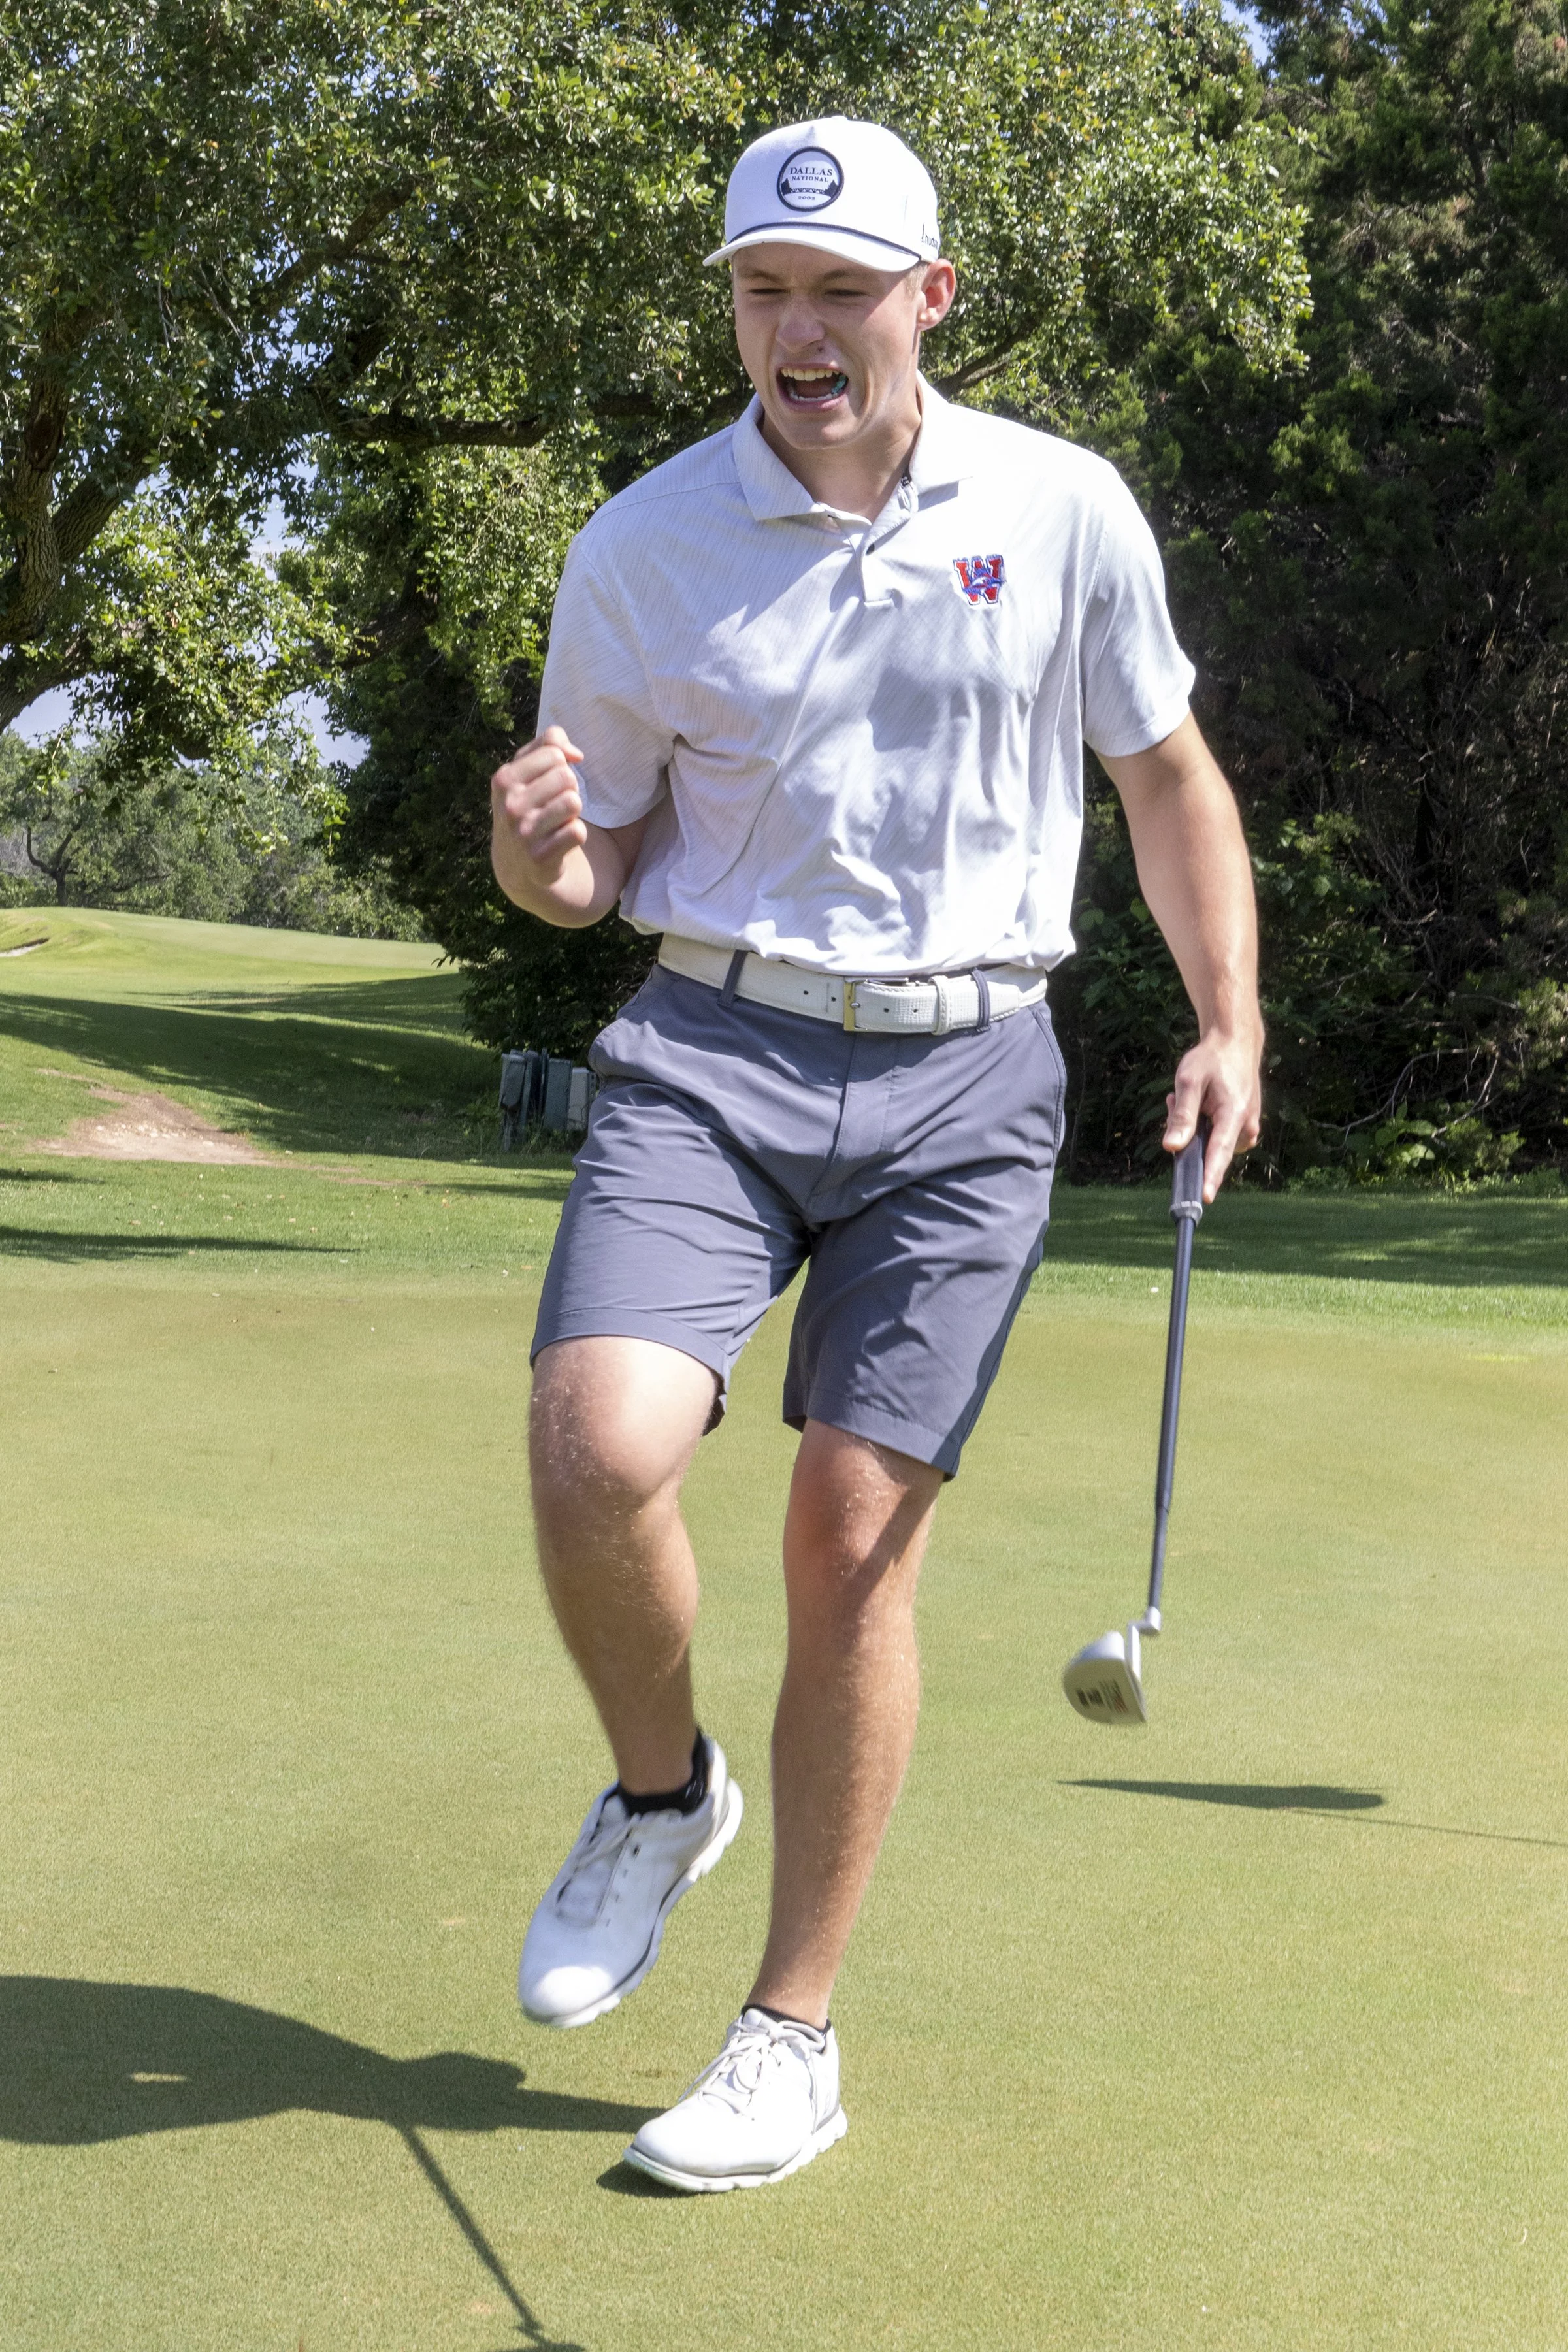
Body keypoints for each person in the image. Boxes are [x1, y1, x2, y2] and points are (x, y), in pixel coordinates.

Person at [490, 116, 1263, 2194]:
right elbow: (597, 860)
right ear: (732, 301)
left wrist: (1230, 1018)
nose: (799, 333)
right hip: (714, 1044)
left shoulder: (1063, 507)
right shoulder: (644, 543)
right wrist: (543, 863)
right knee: (597, 1447)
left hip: (967, 1075)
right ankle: (662, 1797)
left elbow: (1165, 777)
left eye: (843, 293)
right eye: (764, 291)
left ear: (929, 299)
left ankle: (786, 2037)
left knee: (847, 1531)